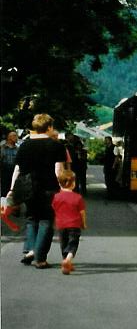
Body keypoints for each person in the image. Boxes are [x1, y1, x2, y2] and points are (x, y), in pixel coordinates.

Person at [5, 113, 67, 268]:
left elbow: (17, 169)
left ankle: (30, 250)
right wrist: (64, 189)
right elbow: (58, 170)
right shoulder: (56, 145)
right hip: (48, 187)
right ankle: (40, 258)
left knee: (32, 218)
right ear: (49, 127)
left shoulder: (24, 145)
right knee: (46, 220)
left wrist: (12, 189)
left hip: (27, 187)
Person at [52, 169, 87, 275]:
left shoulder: (56, 197)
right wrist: (83, 223)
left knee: (63, 243)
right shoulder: (78, 198)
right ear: (74, 184)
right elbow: (82, 213)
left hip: (61, 225)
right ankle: (68, 260)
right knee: (73, 244)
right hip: (74, 225)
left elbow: (54, 209)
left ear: (59, 183)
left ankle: (66, 261)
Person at [1, 130, 18, 195]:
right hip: (4, 172)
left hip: (14, 172)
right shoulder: (2, 148)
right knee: (4, 191)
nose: (16, 137)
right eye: (14, 136)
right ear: (9, 137)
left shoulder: (17, 149)